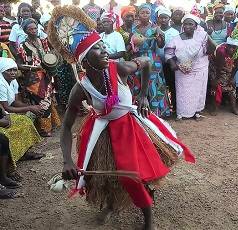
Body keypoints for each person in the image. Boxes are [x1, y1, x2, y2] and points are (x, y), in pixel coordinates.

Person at [48, 5, 195, 230]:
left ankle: (148, 219)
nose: (105, 51)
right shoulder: (81, 88)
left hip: (129, 125)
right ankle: (110, 204)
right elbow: (66, 127)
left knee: (134, 175)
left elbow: (146, 62)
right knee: (103, 177)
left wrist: (144, 96)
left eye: (104, 46)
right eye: (98, 49)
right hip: (101, 128)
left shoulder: (121, 69)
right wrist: (68, 160)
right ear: (85, 62)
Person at [165, 14, 216, 121]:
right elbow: (168, 53)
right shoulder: (176, 39)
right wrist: (172, 63)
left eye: (191, 24)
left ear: (195, 26)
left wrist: (208, 36)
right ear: (183, 25)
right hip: (182, 69)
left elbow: (210, 50)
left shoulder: (201, 36)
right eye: (186, 24)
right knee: (183, 92)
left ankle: (197, 112)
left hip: (200, 68)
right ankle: (181, 113)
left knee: (199, 91)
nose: (188, 26)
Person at [17, 18, 61, 137]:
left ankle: (50, 124)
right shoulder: (22, 46)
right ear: (25, 31)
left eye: (35, 28)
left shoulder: (43, 41)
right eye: (30, 29)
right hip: (33, 78)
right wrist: (33, 68)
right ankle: (44, 129)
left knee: (47, 98)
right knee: (41, 100)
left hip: (46, 75)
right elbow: (19, 64)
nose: (34, 31)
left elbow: (52, 52)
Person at [0, 57, 43, 171]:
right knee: (23, 121)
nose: (13, 73)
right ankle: (14, 159)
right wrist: (29, 107)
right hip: (3, 113)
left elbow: (15, 102)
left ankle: (24, 152)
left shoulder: (13, 81)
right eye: (9, 70)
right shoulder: (1, 84)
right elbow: (5, 107)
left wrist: (31, 107)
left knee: (28, 119)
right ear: (2, 71)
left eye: (14, 70)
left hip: (8, 111)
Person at [129, 3, 171, 117]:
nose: (145, 15)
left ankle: (156, 113)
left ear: (150, 14)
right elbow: (130, 45)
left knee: (153, 84)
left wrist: (159, 39)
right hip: (137, 58)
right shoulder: (134, 28)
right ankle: (138, 111)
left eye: (147, 13)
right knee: (138, 83)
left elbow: (161, 45)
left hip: (152, 58)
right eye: (142, 12)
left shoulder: (155, 28)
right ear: (138, 14)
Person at [211, 21, 238, 115]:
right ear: (226, 45)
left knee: (232, 84)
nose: (231, 49)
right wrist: (217, 79)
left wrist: (231, 78)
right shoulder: (221, 50)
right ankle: (215, 107)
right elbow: (219, 67)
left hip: (229, 65)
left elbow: (236, 66)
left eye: (234, 47)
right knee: (217, 84)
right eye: (229, 46)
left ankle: (233, 107)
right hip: (215, 66)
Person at [156, 6, 179, 112]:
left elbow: (178, 48)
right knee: (160, 85)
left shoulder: (174, 32)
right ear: (158, 18)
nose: (163, 20)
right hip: (157, 63)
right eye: (161, 18)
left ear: (169, 18)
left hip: (170, 63)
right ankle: (162, 107)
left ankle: (174, 106)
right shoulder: (155, 30)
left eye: (165, 18)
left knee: (172, 84)